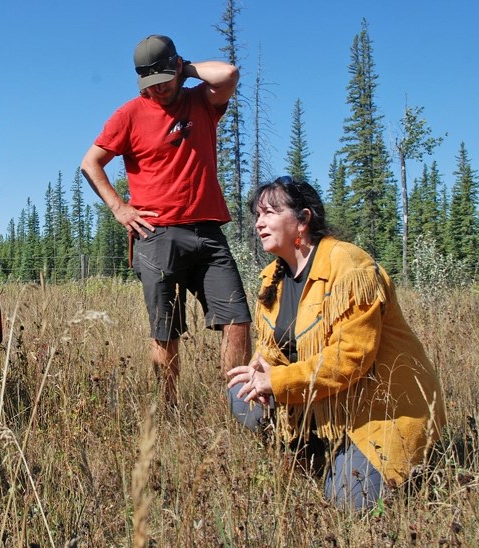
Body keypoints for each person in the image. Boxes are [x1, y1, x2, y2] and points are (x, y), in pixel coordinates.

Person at [226, 176, 446, 510]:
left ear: (303, 219)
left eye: (270, 212)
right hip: (324, 401)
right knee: (242, 394)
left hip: (380, 408)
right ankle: (307, 452)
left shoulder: (349, 267)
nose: (259, 222)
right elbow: (277, 341)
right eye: (257, 214)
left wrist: (277, 380)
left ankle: (401, 467)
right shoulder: (274, 275)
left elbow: (350, 360)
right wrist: (261, 362)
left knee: (347, 499)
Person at [81, 34, 252, 406]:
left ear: (177, 69)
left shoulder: (201, 102)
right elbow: (90, 163)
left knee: (237, 318)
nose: (157, 91)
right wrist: (119, 209)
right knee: (166, 328)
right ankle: (169, 406)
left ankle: (240, 407)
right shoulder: (128, 114)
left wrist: (187, 69)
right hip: (156, 235)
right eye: (149, 84)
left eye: (163, 81)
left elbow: (229, 74)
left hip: (208, 231)